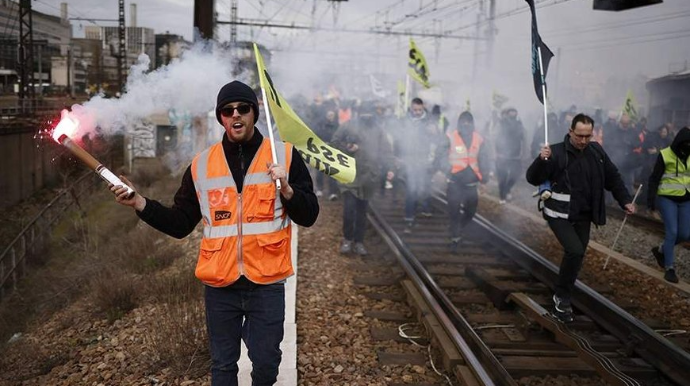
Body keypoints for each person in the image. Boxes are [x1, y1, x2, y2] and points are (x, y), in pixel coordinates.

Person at [110, 80, 319, 385]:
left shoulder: (284, 157)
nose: (236, 115)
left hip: (267, 283)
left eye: (243, 109)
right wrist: (139, 203)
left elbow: (310, 215)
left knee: (266, 365)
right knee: (222, 367)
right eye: (227, 110)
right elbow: (180, 223)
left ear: (254, 112)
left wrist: (287, 190)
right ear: (221, 116)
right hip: (221, 287)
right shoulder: (201, 166)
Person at [526, 113, 634, 323]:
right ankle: (561, 298)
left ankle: (564, 292)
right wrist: (541, 160)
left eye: (588, 136)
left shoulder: (597, 152)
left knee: (578, 255)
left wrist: (625, 200)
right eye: (580, 136)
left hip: (584, 214)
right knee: (574, 250)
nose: (583, 140)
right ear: (571, 132)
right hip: (559, 213)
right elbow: (533, 178)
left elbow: (612, 177)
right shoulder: (555, 152)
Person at [332, 104, 394, 256]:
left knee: (362, 211)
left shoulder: (379, 130)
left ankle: (359, 241)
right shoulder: (347, 126)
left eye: (369, 113)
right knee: (349, 210)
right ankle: (347, 239)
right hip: (349, 175)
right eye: (364, 113)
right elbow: (333, 142)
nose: (367, 116)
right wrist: (347, 147)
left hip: (368, 177)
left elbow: (386, 151)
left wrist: (391, 168)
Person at [437, 111, 491, 253]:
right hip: (454, 182)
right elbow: (440, 155)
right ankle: (455, 238)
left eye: (469, 121)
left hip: (471, 183)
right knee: (454, 211)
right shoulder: (450, 137)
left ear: (472, 123)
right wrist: (447, 169)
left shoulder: (479, 139)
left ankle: (458, 228)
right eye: (463, 121)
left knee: (471, 211)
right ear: (459, 123)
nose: (466, 124)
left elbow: (484, 158)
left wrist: (485, 175)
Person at [647, 127, 690, 283]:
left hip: (686, 199)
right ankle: (669, 267)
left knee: (685, 234)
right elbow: (654, 178)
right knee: (672, 231)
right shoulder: (665, 155)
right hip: (667, 199)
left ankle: (661, 250)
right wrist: (651, 202)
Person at [495, 107, 525, 204]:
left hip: (515, 155)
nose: (513, 114)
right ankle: (502, 196)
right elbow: (495, 137)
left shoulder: (519, 124)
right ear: (507, 114)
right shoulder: (501, 123)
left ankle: (507, 189)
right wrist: (495, 152)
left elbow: (523, 138)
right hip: (502, 155)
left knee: (516, 174)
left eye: (514, 112)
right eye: (511, 112)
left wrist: (523, 152)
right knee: (502, 177)